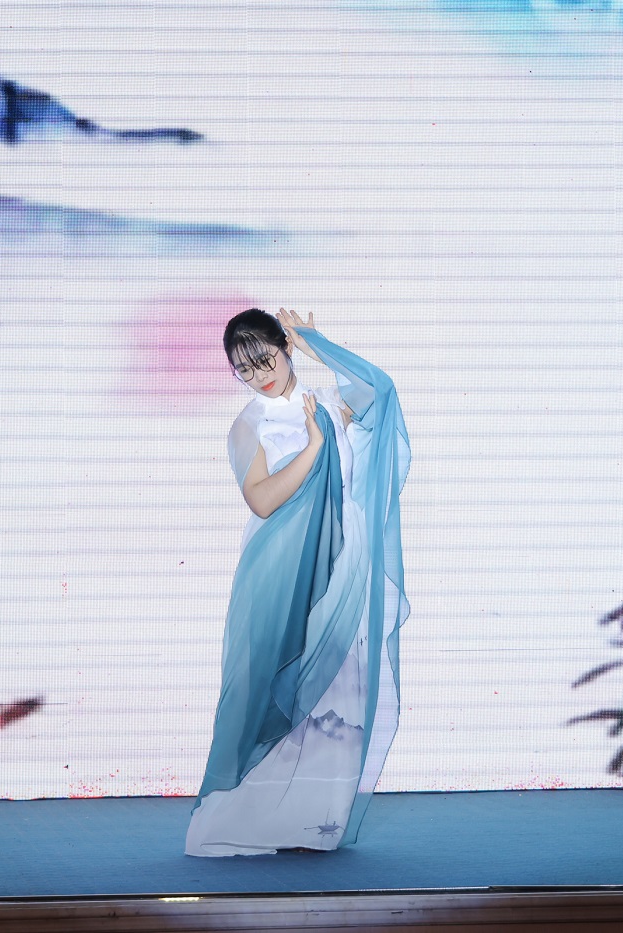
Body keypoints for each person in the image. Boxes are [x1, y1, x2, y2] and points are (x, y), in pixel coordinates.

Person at [185, 308, 411, 857]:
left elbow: (381, 392)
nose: (258, 375)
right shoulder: (248, 425)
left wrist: (316, 345)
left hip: (338, 567)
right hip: (275, 572)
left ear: (284, 349)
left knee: (334, 691)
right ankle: (235, 821)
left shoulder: (329, 403)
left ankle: (309, 821)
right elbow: (261, 500)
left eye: (265, 359)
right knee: (261, 689)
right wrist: (312, 448)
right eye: (244, 369)